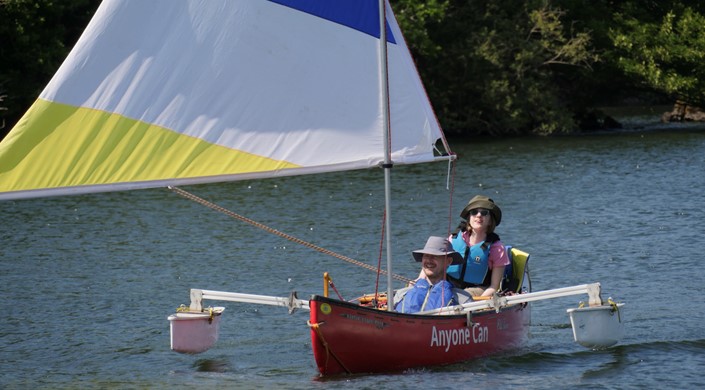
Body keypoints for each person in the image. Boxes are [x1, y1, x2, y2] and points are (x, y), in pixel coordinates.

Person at [446, 195, 510, 297]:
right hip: (449, 285)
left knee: (459, 296)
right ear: (469, 217)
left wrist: (479, 304)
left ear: (490, 220)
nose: (478, 215)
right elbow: (433, 259)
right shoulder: (453, 238)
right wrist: (419, 280)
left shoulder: (497, 249)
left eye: (484, 213)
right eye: (474, 212)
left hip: (478, 291)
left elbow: (494, 286)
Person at [393, 236, 466, 313]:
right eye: (426, 256)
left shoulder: (462, 299)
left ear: (448, 261)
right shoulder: (401, 295)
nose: (429, 260)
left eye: (435, 256)